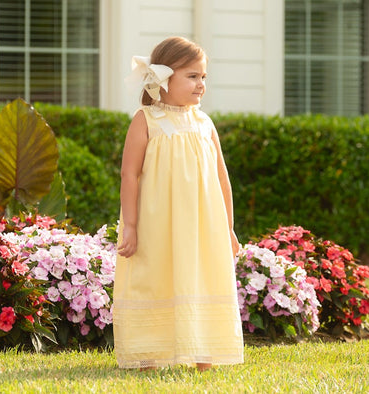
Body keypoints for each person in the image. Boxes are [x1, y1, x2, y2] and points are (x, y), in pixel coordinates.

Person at [113, 36, 244, 371]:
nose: (200, 84)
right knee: (153, 275)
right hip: (158, 221)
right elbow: (130, 175)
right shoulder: (147, 120)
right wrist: (130, 224)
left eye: (203, 77)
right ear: (163, 78)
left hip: (202, 223)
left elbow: (221, 176)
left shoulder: (204, 123)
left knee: (202, 275)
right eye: (192, 76)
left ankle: (204, 353)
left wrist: (228, 228)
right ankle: (148, 354)